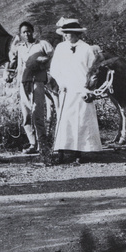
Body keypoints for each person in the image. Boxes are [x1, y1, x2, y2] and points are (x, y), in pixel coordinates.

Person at [49, 18, 103, 162]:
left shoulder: (86, 48)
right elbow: (54, 69)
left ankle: (78, 153)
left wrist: (89, 89)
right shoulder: (60, 47)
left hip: (82, 90)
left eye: (69, 33)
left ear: (76, 33)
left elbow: (93, 71)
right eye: (65, 32)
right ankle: (60, 153)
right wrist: (61, 83)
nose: (66, 35)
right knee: (64, 121)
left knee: (80, 121)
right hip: (66, 89)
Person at [6, 21, 54, 154]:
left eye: (28, 31)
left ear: (33, 31)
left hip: (37, 81)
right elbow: (14, 62)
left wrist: (43, 64)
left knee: (37, 112)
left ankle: (43, 144)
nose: (26, 34)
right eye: (23, 32)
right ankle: (33, 143)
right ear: (20, 34)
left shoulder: (42, 44)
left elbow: (52, 58)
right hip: (23, 82)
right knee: (26, 114)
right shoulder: (20, 47)